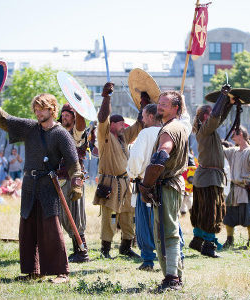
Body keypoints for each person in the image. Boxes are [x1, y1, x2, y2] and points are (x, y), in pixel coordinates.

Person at [0, 93, 83, 284]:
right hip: (30, 184)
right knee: (27, 228)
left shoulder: (61, 134)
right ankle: (33, 271)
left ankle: (61, 272)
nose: (38, 112)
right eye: (36, 109)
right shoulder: (31, 128)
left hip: (48, 184)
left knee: (51, 229)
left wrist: (76, 182)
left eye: (42, 109)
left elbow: (74, 163)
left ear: (52, 109)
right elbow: (6, 120)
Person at [138, 90, 188, 291]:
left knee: (167, 232)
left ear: (176, 108)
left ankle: (172, 278)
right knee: (168, 231)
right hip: (170, 184)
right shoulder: (178, 127)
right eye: (159, 103)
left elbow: (162, 155)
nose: (160, 106)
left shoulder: (170, 129)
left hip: (166, 184)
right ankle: (174, 274)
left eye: (165, 104)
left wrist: (146, 184)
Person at [93, 82, 143, 259]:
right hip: (110, 182)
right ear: (113, 125)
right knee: (109, 218)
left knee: (128, 215)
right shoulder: (105, 135)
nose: (124, 126)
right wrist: (106, 97)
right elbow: (102, 118)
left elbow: (138, 126)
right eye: (121, 124)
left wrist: (143, 105)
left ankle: (126, 247)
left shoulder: (123, 137)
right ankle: (105, 250)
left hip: (125, 183)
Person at [189, 84, 233, 258]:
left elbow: (218, 117)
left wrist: (229, 103)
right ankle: (208, 245)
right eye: (208, 113)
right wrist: (222, 96)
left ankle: (198, 240)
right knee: (211, 212)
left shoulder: (209, 130)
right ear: (202, 118)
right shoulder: (205, 130)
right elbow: (216, 116)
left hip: (207, 177)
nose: (212, 115)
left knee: (204, 211)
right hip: (208, 178)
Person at [126, 102, 160, 271]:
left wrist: (132, 174)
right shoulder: (169, 131)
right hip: (165, 184)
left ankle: (148, 260)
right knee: (167, 221)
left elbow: (135, 159)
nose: (141, 118)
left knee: (145, 223)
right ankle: (175, 256)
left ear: (151, 116)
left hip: (145, 185)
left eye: (144, 115)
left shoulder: (145, 133)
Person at [56, 103, 90, 263]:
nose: (64, 116)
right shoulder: (58, 132)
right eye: (63, 114)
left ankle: (83, 253)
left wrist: (79, 110)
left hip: (73, 180)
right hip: (60, 179)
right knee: (66, 217)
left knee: (75, 217)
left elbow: (81, 127)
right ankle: (78, 251)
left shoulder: (76, 134)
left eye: (68, 114)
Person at [222, 126, 250, 248]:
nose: (232, 138)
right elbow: (221, 149)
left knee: (249, 217)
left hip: (246, 189)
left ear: (240, 134)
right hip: (234, 189)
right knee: (228, 216)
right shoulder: (233, 151)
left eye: (234, 135)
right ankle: (230, 240)